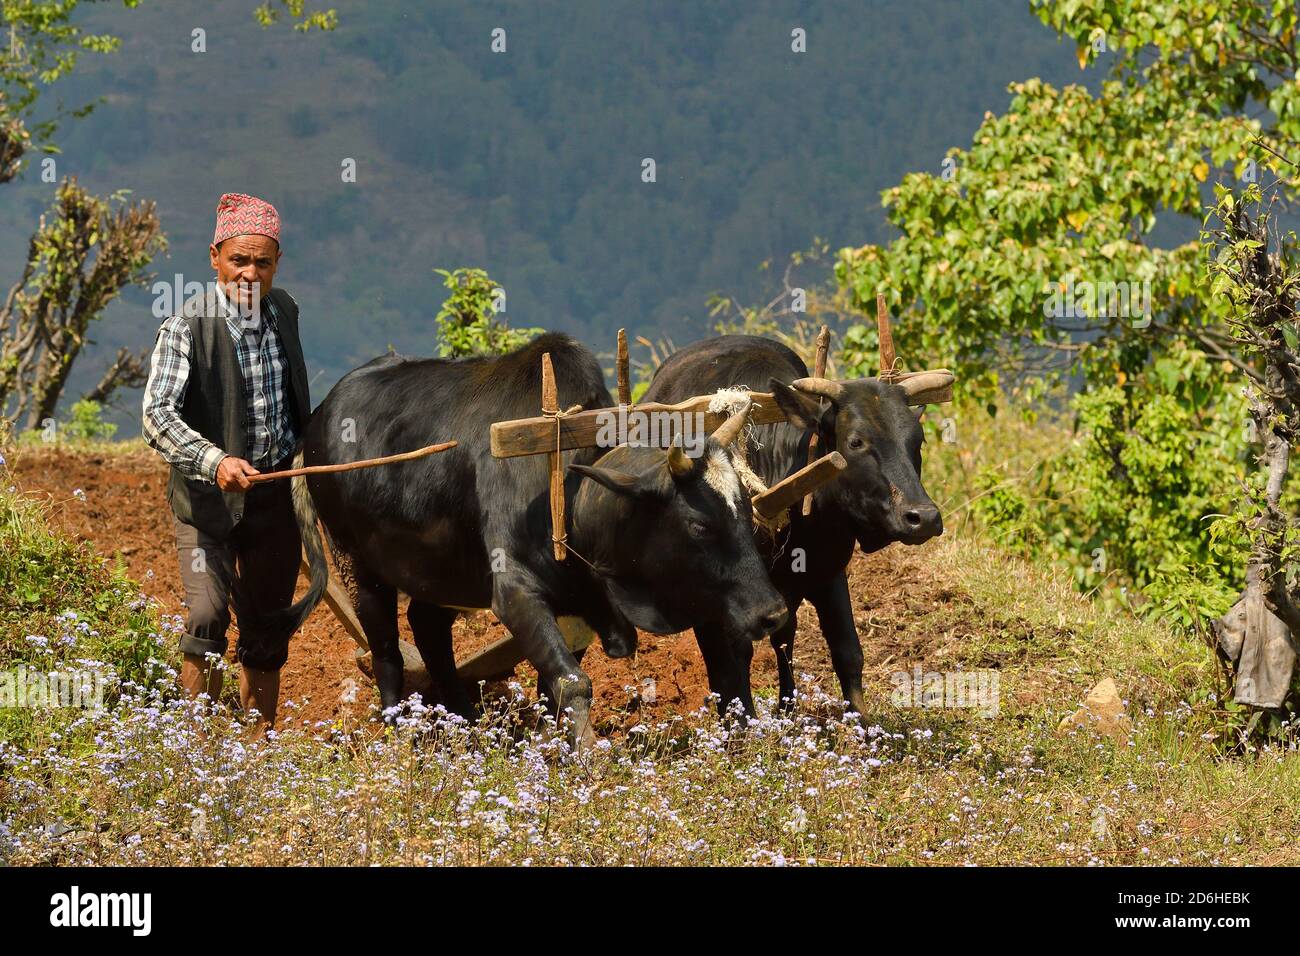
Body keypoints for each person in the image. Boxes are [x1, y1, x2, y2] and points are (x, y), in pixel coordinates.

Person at [142, 192, 311, 731]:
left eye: (262, 262)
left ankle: (255, 747)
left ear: (276, 264)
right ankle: (198, 750)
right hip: (207, 503)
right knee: (207, 616)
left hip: (274, 496)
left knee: (266, 625)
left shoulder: (284, 309)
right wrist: (214, 461)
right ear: (214, 257)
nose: (250, 273)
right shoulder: (185, 327)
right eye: (239, 259)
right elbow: (156, 417)